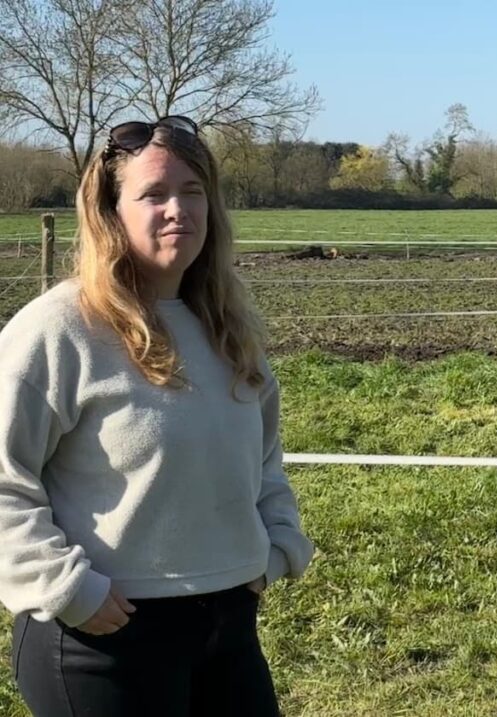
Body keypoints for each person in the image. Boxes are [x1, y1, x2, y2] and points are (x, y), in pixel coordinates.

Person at [0, 115, 314, 716]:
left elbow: (265, 461)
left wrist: (277, 546)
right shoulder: (57, 330)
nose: (179, 210)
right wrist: (68, 589)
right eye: (154, 194)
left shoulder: (227, 327)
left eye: (194, 192)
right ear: (110, 211)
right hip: (102, 639)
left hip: (228, 628)